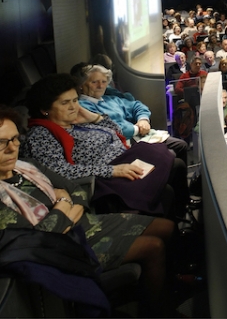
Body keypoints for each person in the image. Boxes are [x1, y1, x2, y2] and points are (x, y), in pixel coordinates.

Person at [0, 107, 174, 315]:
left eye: (15, 139)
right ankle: (157, 312)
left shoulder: (27, 165)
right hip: (62, 249)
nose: (13, 148)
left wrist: (67, 205)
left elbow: (76, 189)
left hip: (83, 223)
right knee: (154, 247)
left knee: (167, 227)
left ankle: (172, 289)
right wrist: (64, 203)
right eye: (2, 143)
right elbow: (38, 239)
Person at [22, 74, 186, 216]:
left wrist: (94, 118)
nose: (73, 107)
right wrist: (113, 170)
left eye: (74, 100)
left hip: (125, 161)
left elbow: (117, 132)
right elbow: (58, 171)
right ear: (45, 109)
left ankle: (182, 216)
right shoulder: (41, 135)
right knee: (167, 189)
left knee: (175, 163)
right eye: (65, 103)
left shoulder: (76, 122)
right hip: (106, 180)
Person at [76, 64, 188, 161]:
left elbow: (137, 105)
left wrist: (143, 119)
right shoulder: (83, 106)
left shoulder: (110, 99)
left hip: (140, 137)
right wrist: (137, 129)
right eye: (94, 82)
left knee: (181, 145)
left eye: (104, 82)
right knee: (171, 156)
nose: (100, 86)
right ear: (82, 84)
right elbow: (110, 129)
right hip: (121, 146)